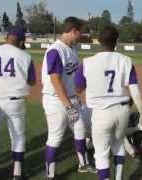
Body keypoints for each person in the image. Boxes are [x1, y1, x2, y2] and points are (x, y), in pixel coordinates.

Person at [75, 25, 142, 180]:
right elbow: (134, 90)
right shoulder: (126, 61)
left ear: (99, 41)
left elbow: (79, 88)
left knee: (101, 154)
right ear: (117, 42)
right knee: (118, 145)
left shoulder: (87, 62)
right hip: (122, 111)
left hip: (100, 113)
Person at [41, 17, 93, 179]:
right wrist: (68, 106)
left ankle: (83, 165)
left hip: (72, 99)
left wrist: (75, 99)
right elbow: (55, 80)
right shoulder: (56, 50)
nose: (81, 36)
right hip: (56, 101)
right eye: (80, 33)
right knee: (55, 137)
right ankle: (50, 174)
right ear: (74, 31)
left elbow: (73, 76)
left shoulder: (72, 49)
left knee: (80, 130)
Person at [0, 26, 36, 179]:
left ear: (7, 37)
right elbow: (32, 81)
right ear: (22, 41)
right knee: (18, 137)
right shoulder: (25, 56)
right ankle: (17, 172)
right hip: (15, 102)